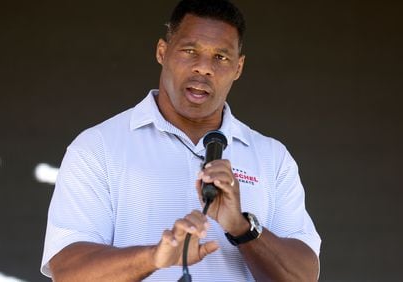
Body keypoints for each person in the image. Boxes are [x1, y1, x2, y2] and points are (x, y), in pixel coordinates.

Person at [41, 0, 321, 280]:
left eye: (221, 57)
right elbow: (68, 272)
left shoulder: (272, 157)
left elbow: (304, 276)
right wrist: (154, 257)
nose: (203, 68)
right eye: (190, 51)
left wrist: (241, 227)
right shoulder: (98, 147)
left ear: (238, 67)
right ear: (162, 52)